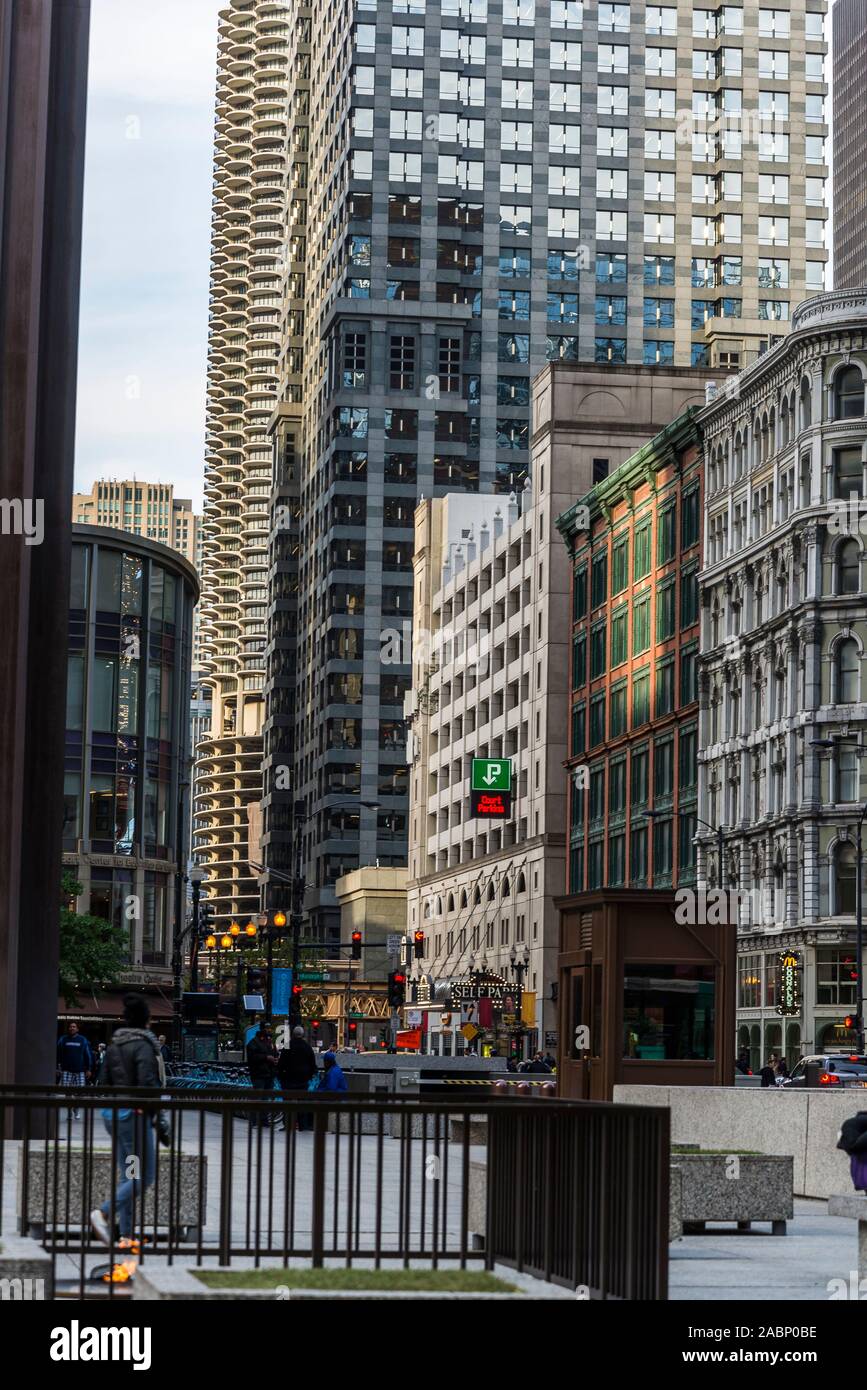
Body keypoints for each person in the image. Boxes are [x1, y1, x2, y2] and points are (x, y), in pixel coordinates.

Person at [89, 994, 168, 1249]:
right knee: (145, 1176)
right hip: (134, 1117)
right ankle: (103, 1212)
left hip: (114, 1116)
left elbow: (103, 1082)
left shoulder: (115, 1045)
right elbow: (148, 1082)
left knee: (130, 1175)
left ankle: (125, 1235)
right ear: (146, 1020)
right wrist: (154, 1113)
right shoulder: (144, 1045)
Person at [276, 1025, 318, 1131]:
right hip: (302, 1081)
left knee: (287, 1104)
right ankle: (302, 1126)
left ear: (293, 1034)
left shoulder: (287, 1046)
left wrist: (280, 1076)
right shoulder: (307, 1047)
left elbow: (281, 1064)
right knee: (302, 1104)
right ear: (302, 1035)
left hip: (288, 1080)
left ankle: (287, 1124)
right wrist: (309, 1076)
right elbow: (312, 1064)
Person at [57, 1022, 93, 1119]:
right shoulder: (63, 1039)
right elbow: (58, 1054)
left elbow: (87, 1055)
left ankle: (76, 1109)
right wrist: (58, 1068)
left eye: (74, 1027)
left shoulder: (83, 1040)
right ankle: (69, 1112)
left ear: (77, 1029)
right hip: (66, 1070)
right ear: (68, 1028)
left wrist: (89, 1069)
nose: (72, 1028)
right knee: (67, 1093)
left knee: (80, 1092)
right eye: (70, 1027)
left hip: (80, 1070)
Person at [246, 1022, 278, 1126]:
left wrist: (275, 1059)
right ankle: (254, 1120)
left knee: (266, 1098)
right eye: (266, 1028)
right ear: (262, 1029)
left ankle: (264, 1120)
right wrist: (266, 1057)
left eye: (269, 1028)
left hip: (269, 1074)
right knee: (257, 1097)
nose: (269, 1030)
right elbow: (252, 1057)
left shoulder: (270, 1041)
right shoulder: (254, 1042)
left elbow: (275, 1053)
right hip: (259, 1074)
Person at [836, 1110, 867, 1192]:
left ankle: (842, 1141)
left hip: (852, 1129)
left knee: (859, 1155)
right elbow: (855, 1146)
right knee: (856, 1149)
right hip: (852, 1132)